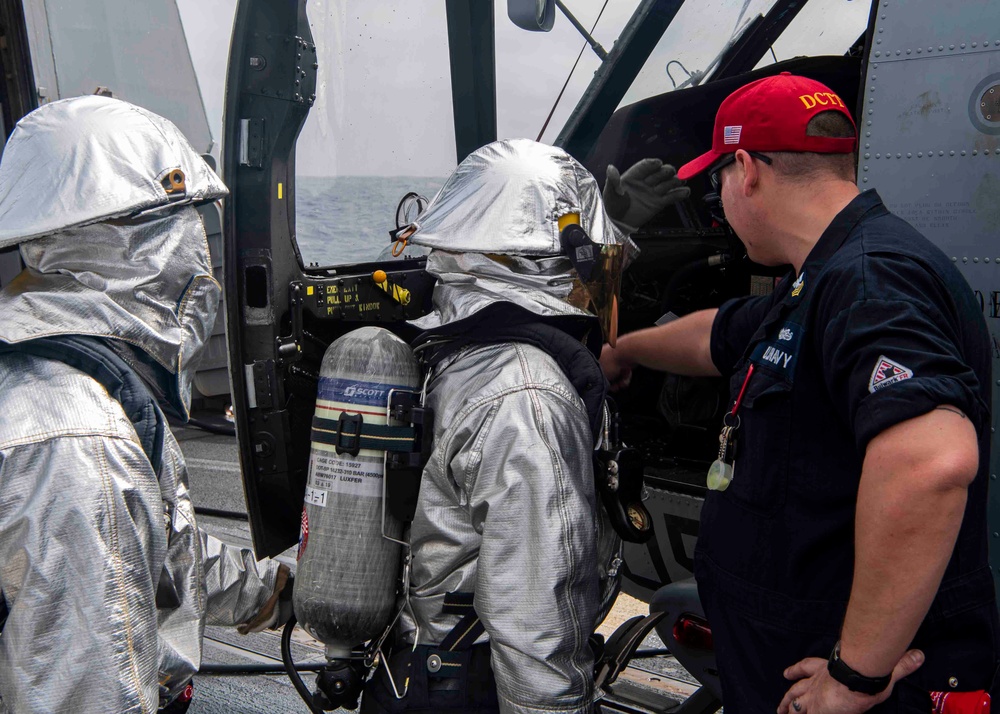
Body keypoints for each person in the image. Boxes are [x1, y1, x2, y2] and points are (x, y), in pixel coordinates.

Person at [600, 72, 1000, 713]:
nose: (721, 199)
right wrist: (624, 351)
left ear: (745, 169)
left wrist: (855, 676)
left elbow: (931, 463)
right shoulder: (821, 278)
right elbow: (720, 335)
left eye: (719, 181)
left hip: (855, 691)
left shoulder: (870, 280)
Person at [359, 138, 686, 713]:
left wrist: (612, 222)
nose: (604, 283)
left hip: (417, 668)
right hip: (477, 683)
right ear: (546, 264)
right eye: (590, 262)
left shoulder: (452, 342)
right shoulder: (528, 397)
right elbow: (534, 630)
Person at [0, 96, 291, 714]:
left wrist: (273, 589)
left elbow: (148, 545)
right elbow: (86, 694)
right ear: (132, 241)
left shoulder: (57, 375)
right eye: (183, 221)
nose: (200, 249)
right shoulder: (78, 439)